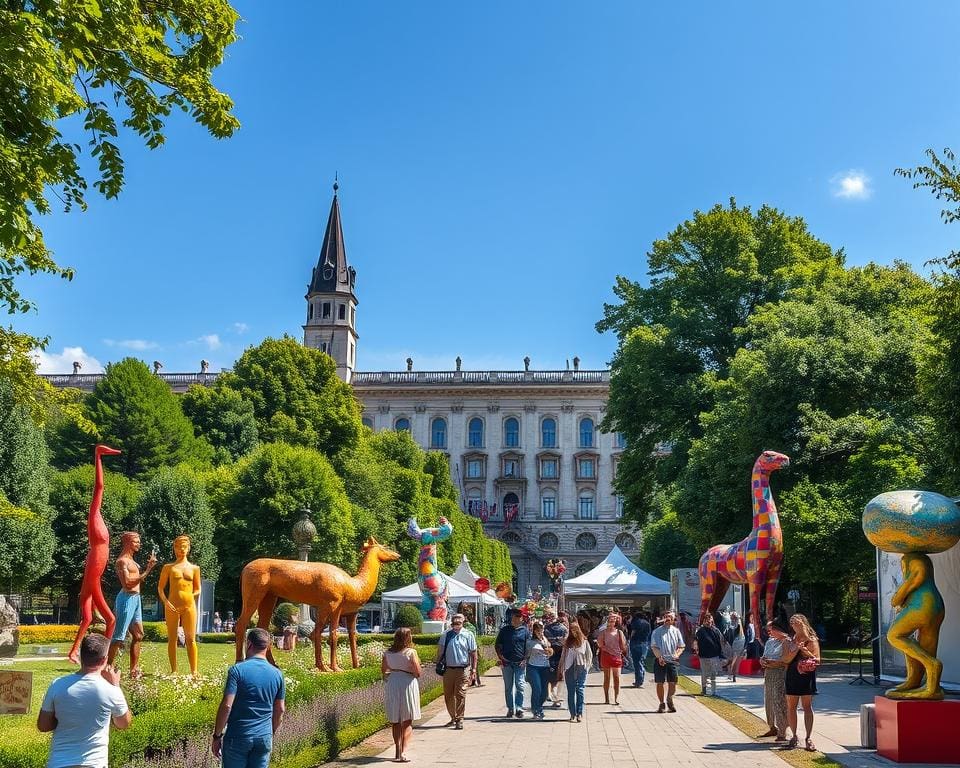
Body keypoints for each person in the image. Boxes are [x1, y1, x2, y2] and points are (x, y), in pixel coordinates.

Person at [37, 634, 132, 768]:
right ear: (104, 660)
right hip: (94, 763)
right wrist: (116, 686)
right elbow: (123, 723)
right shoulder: (111, 690)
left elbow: (43, 726)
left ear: (81, 656)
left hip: (58, 763)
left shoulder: (57, 685)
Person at [212, 628, 286, 768]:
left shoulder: (237, 670)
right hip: (263, 737)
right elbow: (280, 709)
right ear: (268, 646)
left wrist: (217, 736)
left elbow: (227, 705)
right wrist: (271, 732)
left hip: (238, 735)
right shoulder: (277, 674)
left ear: (249, 644)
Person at [107, 531, 158, 678]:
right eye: (136, 541)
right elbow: (128, 583)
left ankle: (134, 669)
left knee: (139, 634)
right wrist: (148, 570)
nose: (139, 544)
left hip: (136, 599)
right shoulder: (122, 561)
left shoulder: (132, 561)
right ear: (128, 542)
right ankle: (107, 666)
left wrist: (147, 567)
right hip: (126, 599)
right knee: (119, 636)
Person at [157, 534, 201, 675]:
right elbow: (160, 588)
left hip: (189, 606)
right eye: (179, 547)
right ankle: (174, 670)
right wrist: (166, 602)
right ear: (175, 549)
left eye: (185, 546)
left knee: (191, 639)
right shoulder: (168, 567)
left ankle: (194, 671)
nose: (182, 549)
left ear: (189, 548)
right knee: (172, 639)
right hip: (172, 605)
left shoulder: (195, 568)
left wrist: (191, 596)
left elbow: (198, 588)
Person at [382, 627, 422, 762]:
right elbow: (417, 671)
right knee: (407, 719)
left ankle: (397, 750)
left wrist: (392, 674)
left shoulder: (387, 652)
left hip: (393, 681)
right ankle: (404, 751)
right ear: (408, 638)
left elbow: (384, 669)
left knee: (395, 720)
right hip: (407, 682)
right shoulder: (411, 652)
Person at [783, 613, 820, 752]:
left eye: (796, 622)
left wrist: (806, 651)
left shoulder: (812, 640)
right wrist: (796, 649)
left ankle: (808, 737)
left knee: (807, 707)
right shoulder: (789, 640)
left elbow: (818, 660)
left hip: (807, 676)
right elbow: (785, 659)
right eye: (792, 622)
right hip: (792, 675)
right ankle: (794, 736)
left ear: (803, 623)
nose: (793, 624)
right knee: (791, 707)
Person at [438, 613, 477, 729]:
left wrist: (473, 669)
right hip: (449, 669)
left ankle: (460, 719)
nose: (456, 625)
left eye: (458, 623)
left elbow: (473, 654)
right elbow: (440, 651)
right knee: (448, 695)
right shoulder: (446, 635)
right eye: (454, 623)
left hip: (463, 669)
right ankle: (453, 717)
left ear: (463, 623)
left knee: (460, 694)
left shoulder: (468, 635)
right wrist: (437, 663)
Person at [494, 609, 530, 718]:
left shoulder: (525, 631)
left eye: (518, 617)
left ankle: (519, 707)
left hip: (520, 663)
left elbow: (528, 647)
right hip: (507, 663)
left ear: (522, 619)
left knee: (520, 685)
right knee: (508, 687)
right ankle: (510, 708)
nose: (516, 619)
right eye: (514, 617)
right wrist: (501, 657)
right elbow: (497, 645)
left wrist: (525, 659)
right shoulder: (505, 630)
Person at [759, 619, 790, 741]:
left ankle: (782, 730)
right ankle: (772, 727)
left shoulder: (787, 642)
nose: (769, 632)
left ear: (778, 629)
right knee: (769, 701)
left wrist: (775, 663)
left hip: (780, 674)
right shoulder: (770, 642)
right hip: (768, 674)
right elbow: (765, 656)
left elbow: (786, 660)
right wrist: (762, 661)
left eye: (771, 630)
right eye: (768, 630)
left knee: (779, 701)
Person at [650, 611, 685, 713]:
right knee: (660, 682)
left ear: (674, 620)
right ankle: (661, 703)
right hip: (660, 660)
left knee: (673, 682)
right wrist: (659, 657)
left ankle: (669, 698)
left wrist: (677, 654)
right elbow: (654, 646)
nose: (667, 618)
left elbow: (681, 646)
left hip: (672, 660)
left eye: (670, 617)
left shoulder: (676, 631)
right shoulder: (657, 632)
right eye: (666, 617)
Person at [557, 623, 592, 723]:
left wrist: (586, 667)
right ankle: (572, 713)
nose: (573, 632)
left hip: (581, 667)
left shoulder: (584, 642)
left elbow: (589, 655)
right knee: (571, 691)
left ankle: (579, 713)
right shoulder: (567, 643)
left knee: (580, 689)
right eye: (571, 630)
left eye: (575, 630)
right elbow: (563, 656)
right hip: (569, 668)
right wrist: (561, 667)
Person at [525, 621, 553, 719]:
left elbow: (550, 651)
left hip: (545, 667)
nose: (540, 633)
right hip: (533, 667)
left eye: (542, 631)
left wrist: (549, 651)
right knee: (537, 689)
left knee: (545, 692)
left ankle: (539, 706)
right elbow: (526, 654)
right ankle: (536, 710)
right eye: (538, 631)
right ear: (534, 631)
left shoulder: (545, 640)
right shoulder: (530, 641)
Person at [599, 612, 627, 705]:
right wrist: (608, 649)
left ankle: (616, 697)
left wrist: (622, 650)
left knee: (617, 678)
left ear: (616, 622)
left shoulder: (619, 632)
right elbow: (600, 644)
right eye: (610, 621)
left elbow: (623, 645)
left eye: (613, 621)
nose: (611, 623)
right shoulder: (603, 632)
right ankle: (606, 698)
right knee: (606, 678)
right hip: (606, 655)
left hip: (617, 656)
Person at [694, 613, 725, 696]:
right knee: (704, 674)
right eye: (706, 621)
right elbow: (695, 641)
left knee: (713, 675)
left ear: (712, 621)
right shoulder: (700, 631)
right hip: (703, 655)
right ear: (704, 621)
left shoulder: (716, 630)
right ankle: (704, 690)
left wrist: (721, 654)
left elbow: (722, 641)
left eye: (710, 621)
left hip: (714, 655)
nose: (708, 622)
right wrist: (696, 650)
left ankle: (713, 692)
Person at [543, 608, 568, 707]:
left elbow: (546, 640)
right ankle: (555, 697)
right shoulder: (562, 628)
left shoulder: (548, 628)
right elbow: (564, 641)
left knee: (556, 677)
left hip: (556, 654)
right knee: (556, 677)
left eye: (552, 616)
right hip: (555, 654)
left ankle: (556, 697)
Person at [627, 611, 651, 687]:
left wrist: (630, 639)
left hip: (635, 642)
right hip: (645, 643)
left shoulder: (635, 622)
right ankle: (642, 677)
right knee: (641, 661)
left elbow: (633, 632)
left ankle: (639, 680)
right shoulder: (647, 623)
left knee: (636, 662)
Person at [723, 612, 746, 682]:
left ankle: (732, 674)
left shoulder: (736, 623)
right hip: (736, 642)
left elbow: (731, 630)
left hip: (736, 642)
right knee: (733, 659)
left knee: (733, 659)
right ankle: (732, 674)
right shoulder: (734, 623)